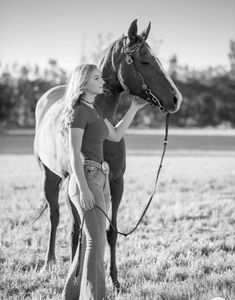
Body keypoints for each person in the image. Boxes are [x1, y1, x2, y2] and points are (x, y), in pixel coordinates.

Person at [61, 64, 147, 300]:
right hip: (86, 179)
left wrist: (134, 108)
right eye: (97, 78)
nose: (103, 81)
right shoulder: (78, 112)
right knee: (95, 244)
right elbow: (73, 154)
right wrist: (84, 189)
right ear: (83, 83)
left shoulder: (95, 110)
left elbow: (116, 135)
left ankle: (72, 296)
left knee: (91, 242)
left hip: (101, 179)